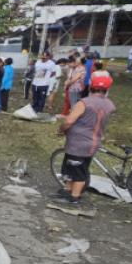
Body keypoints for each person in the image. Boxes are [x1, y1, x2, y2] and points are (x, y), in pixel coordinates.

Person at [56, 71, 116, 205]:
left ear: (90, 87)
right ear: (106, 90)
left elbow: (69, 121)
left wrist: (61, 129)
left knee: (78, 171)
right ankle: (68, 190)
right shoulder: (110, 104)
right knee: (74, 167)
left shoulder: (84, 103)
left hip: (79, 142)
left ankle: (75, 197)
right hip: (93, 141)